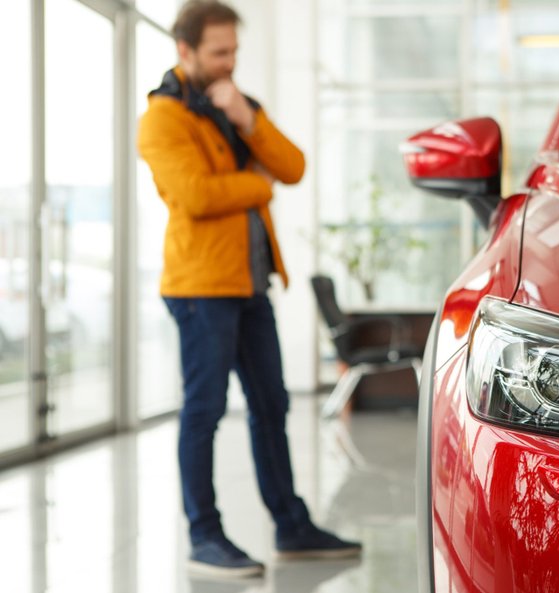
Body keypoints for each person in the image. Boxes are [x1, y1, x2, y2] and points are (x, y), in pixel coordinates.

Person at [137, 0, 361, 579]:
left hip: (249, 284)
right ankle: (204, 536)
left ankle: (292, 526)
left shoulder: (233, 105)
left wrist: (246, 118)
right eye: (218, 53)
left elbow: (292, 166)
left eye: (233, 51)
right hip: (200, 288)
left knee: (271, 406)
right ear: (184, 50)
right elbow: (195, 197)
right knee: (205, 410)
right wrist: (254, 185)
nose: (229, 62)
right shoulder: (162, 119)